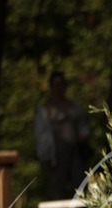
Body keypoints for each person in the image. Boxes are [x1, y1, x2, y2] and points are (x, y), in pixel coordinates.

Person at [33, 71, 91, 200]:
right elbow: (40, 134)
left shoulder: (73, 106)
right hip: (57, 152)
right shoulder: (45, 109)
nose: (59, 87)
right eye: (56, 84)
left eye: (61, 84)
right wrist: (44, 154)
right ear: (51, 86)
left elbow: (83, 125)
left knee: (80, 183)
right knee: (58, 185)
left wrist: (83, 135)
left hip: (75, 150)